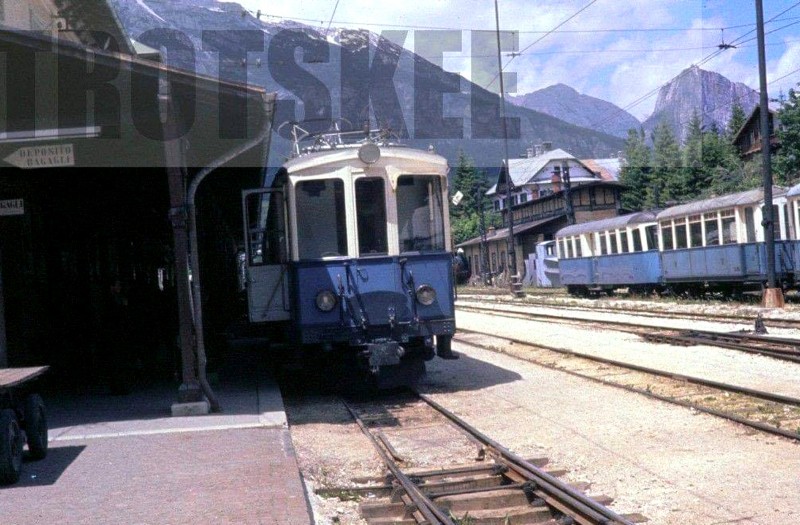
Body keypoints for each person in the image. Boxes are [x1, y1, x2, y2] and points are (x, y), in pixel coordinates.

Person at [100, 278, 133, 394]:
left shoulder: (115, 299)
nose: (119, 288)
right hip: (115, 335)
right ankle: (118, 386)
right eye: (117, 285)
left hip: (117, 335)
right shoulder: (113, 301)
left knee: (118, 361)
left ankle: (119, 385)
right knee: (117, 361)